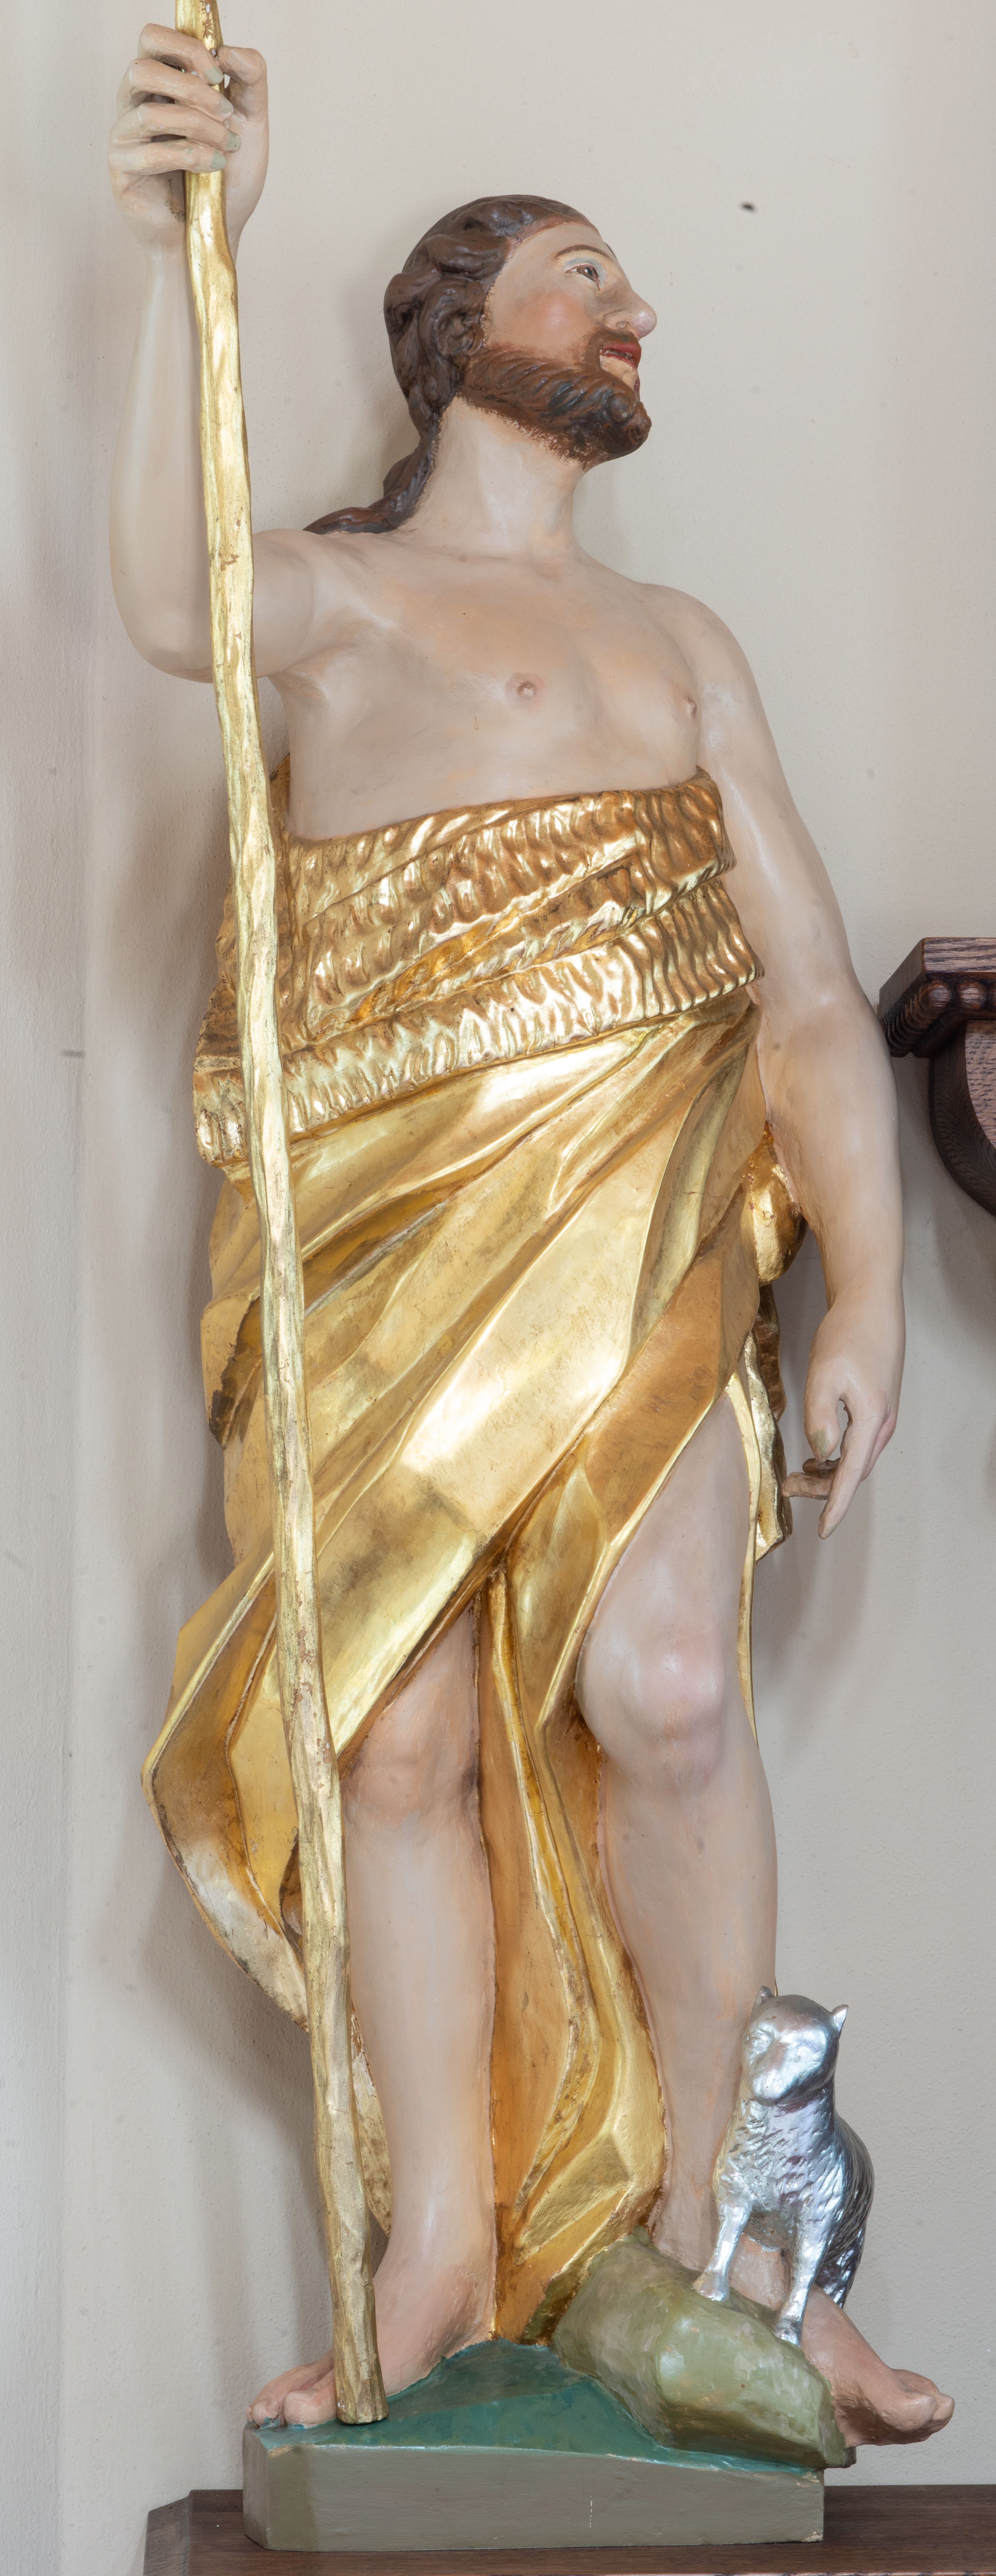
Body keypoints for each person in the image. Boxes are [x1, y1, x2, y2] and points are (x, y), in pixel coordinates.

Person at [109, 27, 952, 2450]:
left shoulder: (680, 647)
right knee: (391, 1746)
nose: (631, 313)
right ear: (454, 327)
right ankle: (440, 2258)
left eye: (628, 287)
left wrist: (872, 1285)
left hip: (648, 1240)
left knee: (669, 1697)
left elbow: (805, 996)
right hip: (390, 1252)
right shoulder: (347, 603)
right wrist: (198, 250)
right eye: (586, 277)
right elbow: (170, 594)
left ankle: (727, 2246)